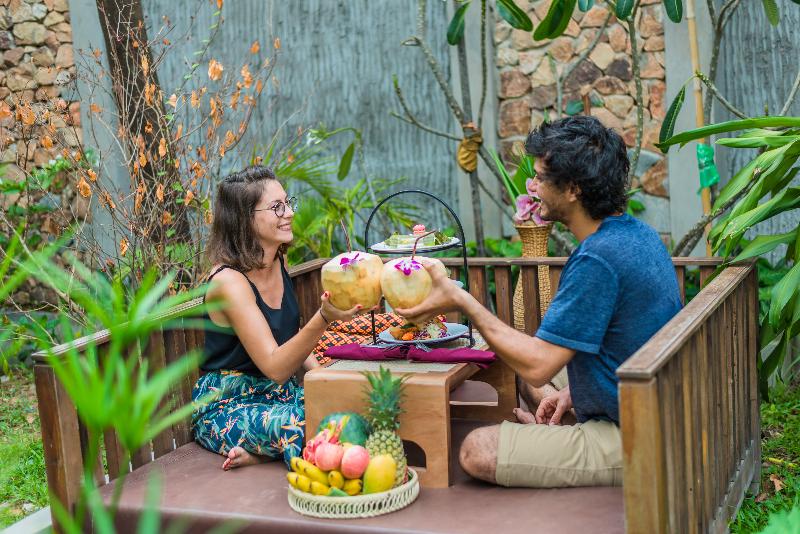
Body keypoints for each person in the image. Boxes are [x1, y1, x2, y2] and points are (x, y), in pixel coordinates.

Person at [396, 116, 682, 488]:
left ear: (573, 189)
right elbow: (625, 342)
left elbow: (538, 367)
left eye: (541, 178)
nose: (532, 187)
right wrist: (571, 393)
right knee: (524, 371)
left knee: (476, 448)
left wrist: (461, 300)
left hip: (638, 435)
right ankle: (555, 431)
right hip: (646, 397)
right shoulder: (635, 234)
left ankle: (557, 439)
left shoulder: (597, 259)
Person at [192, 165, 369, 471]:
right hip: (228, 406)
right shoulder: (229, 283)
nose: (288, 213)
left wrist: (327, 381)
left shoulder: (277, 261)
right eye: (276, 207)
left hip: (278, 396)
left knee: (352, 404)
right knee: (309, 423)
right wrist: (324, 317)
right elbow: (275, 366)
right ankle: (267, 448)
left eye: (288, 203)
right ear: (245, 219)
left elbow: (289, 335)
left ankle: (261, 452)